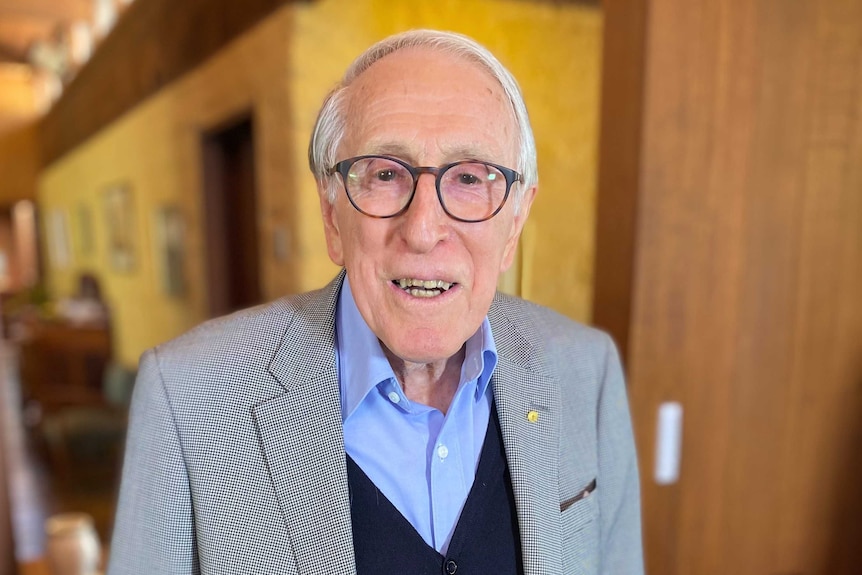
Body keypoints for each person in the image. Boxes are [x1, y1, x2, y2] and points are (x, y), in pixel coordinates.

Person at [108, 29, 643, 575]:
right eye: (386, 174)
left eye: (468, 178)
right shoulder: (189, 396)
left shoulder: (585, 369)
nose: (424, 229)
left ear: (515, 222)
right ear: (331, 213)